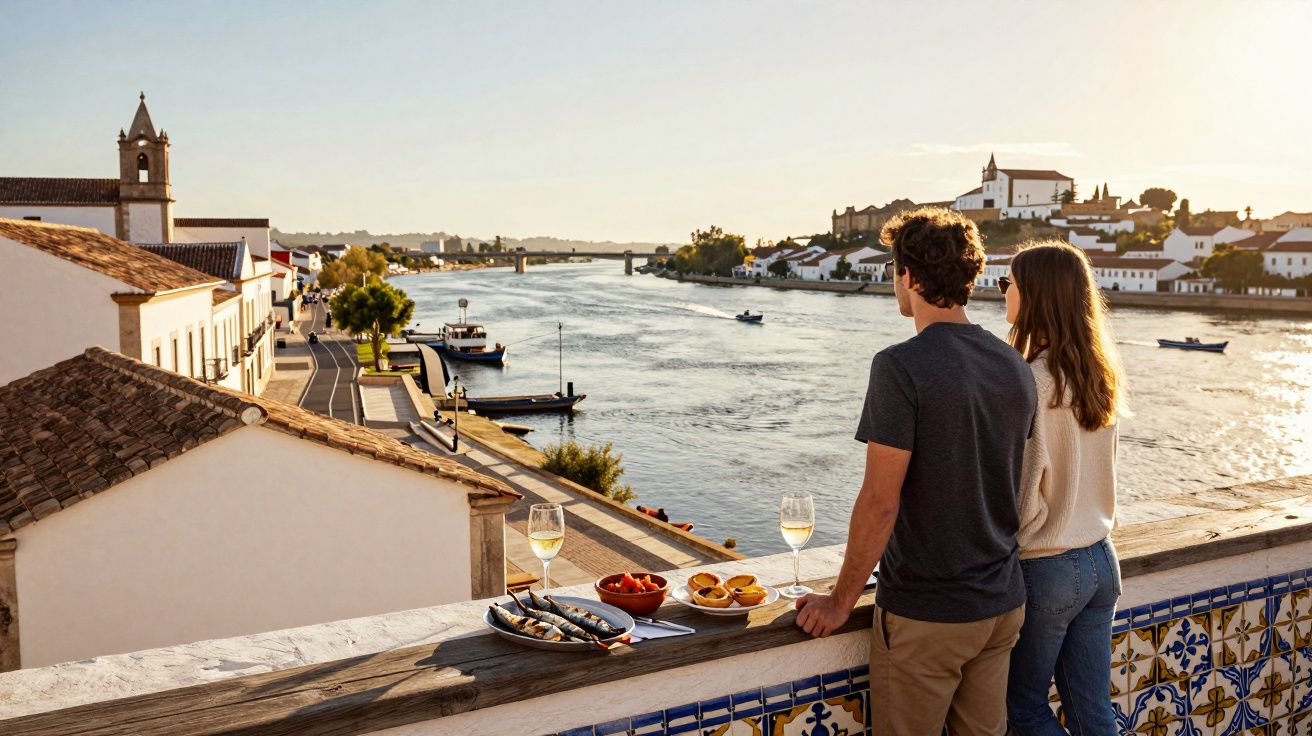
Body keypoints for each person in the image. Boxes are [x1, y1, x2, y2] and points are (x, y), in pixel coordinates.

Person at [794, 208, 1037, 735]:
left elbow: (881, 501)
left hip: (930, 612)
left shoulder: (900, 365)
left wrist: (839, 602)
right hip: (1001, 604)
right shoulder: (1013, 366)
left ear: (908, 276)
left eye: (893, 272)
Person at [1002, 242, 1123, 734]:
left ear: (1035, 296)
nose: (1002, 292)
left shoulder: (1031, 380)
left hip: (1048, 565)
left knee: (1023, 709)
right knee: (1093, 710)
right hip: (1101, 557)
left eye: (1007, 283)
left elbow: (1024, 495)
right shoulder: (1099, 377)